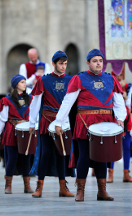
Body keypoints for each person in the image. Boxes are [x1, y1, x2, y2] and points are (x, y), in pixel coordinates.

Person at [54, 49, 127, 202]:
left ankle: (102, 192)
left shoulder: (110, 79)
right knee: (84, 156)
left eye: (100, 61)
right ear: (88, 63)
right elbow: (68, 101)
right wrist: (58, 121)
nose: (98, 63)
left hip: (105, 123)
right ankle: (80, 191)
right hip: (85, 123)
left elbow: (118, 101)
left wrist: (120, 118)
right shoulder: (79, 78)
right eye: (95, 61)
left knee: (102, 157)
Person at [29, 50, 75, 198]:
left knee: (62, 154)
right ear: (53, 64)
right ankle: (39, 186)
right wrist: (31, 123)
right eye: (61, 63)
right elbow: (35, 102)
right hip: (46, 121)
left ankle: (63, 187)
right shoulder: (44, 80)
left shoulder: (70, 80)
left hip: (63, 123)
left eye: (65, 64)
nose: (63, 66)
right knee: (45, 153)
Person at [0, 74, 34, 194]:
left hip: (26, 131)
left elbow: (34, 115)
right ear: (16, 84)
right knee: (11, 158)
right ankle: (8, 185)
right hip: (11, 131)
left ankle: (27, 186)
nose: (24, 84)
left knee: (26, 158)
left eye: (25, 81)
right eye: (22, 82)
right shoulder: (7, 100)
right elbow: (3, 119)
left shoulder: (30, 99)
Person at [107, 71, 132, 183]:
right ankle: (110, 174)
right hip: (113, 121)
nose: (118, 77)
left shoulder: (128, 87)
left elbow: (129, 107)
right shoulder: (109, 86)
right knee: (112, 149)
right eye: (116, 76)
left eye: (120, 75)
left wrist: (125, 97)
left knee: (126, 148)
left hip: (125, 122)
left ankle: (126, 173)